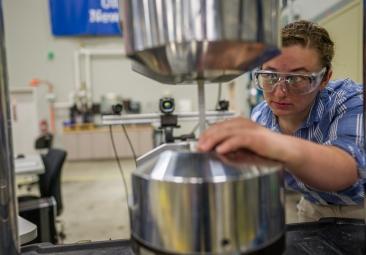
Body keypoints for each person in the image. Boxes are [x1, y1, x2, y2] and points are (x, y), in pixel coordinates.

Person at [197, 20, 365, 222]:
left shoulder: (349, 100)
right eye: (269, 76)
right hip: (313, 206)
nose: (279, 92)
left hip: (360, 207)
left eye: (297, 78)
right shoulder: (261, 116)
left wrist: (272, 142)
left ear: (325, 78)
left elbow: (347, 169)